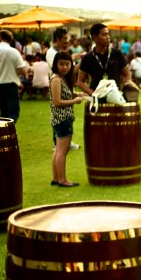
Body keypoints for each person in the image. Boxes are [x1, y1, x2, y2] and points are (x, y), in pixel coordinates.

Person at [49, 51, 84, 188]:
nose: (64, 67)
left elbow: (63, 93)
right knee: (62, 151)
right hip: (62, 119)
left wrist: (75, 93)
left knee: (58, 150)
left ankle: (56, 178)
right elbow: (57, 102)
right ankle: (63, 180)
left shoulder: (60, 78)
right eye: (61, 64)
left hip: (59, 119)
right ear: (56, 64)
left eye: (67, 64)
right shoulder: (56, 79)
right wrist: (74, 100)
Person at [76, 23, 132, 96]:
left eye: (108, 34)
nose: (108, 37)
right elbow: (80, 82)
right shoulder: (88, 57)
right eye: (104, 35)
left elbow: (127, 74)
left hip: (115, 97)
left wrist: (124, 90)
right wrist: (93, 94)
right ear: (95, 37)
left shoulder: (117, 54)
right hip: (96, 100)